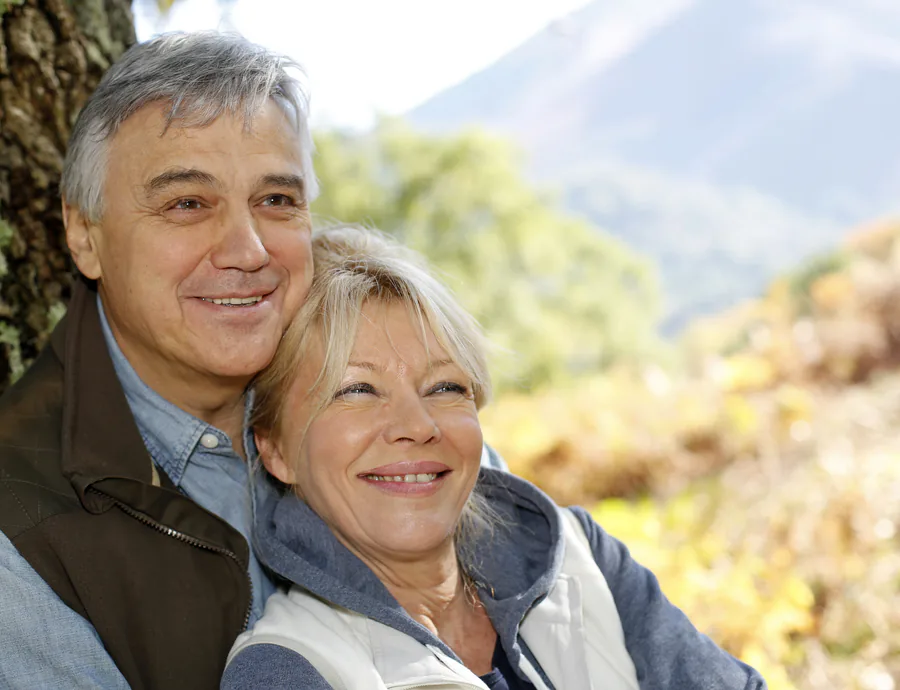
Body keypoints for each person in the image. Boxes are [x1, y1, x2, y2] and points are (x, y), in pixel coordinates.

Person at [0, 29, 500, 689]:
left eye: (276, 201)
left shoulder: (400, 385)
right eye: (186, 204)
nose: (247, 249)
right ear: (84, 235)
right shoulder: (21, 537)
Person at [221, 225, 768, 689]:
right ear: (276, 450)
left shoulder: (578, 556)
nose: (417, 426)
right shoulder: (288, 670)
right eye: (356, 390)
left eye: (444, 388)